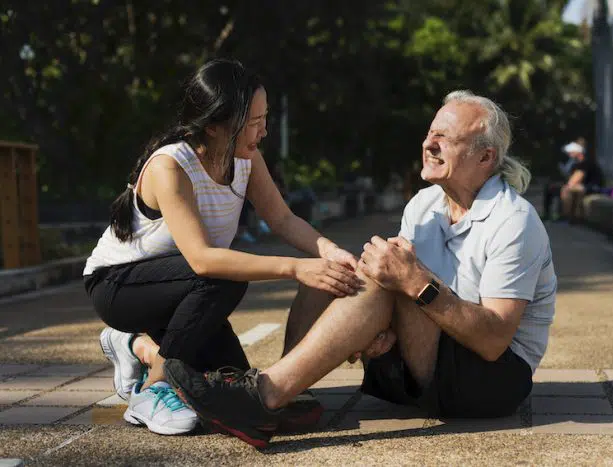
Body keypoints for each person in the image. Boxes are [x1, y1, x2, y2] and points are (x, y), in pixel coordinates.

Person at [162, 90, 558, 448]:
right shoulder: (423, 205)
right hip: (421, 368)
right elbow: (398, 300)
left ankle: (264, 396)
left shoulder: (513, 221)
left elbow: (493, 341)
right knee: (333, 270)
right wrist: (380, 331)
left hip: (491, 382)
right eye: (429, 134)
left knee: (380, 282)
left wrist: (417, 283)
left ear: (486, 157)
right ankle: (289, 401)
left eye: (445, 139)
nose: (428, 145)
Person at [84, 59, 363, 436]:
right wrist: (295, 268)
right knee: (224, 280)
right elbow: (201, 260)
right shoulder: (172, 166)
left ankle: (138, 347)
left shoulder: (246, 159)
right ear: (214, 125)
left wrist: (328, 251)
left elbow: (282, 220)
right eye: (254, 122)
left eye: (265, 118)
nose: (263, 131)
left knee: (231, 385)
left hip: (184, 291)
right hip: (118, 286)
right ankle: (152, 390)